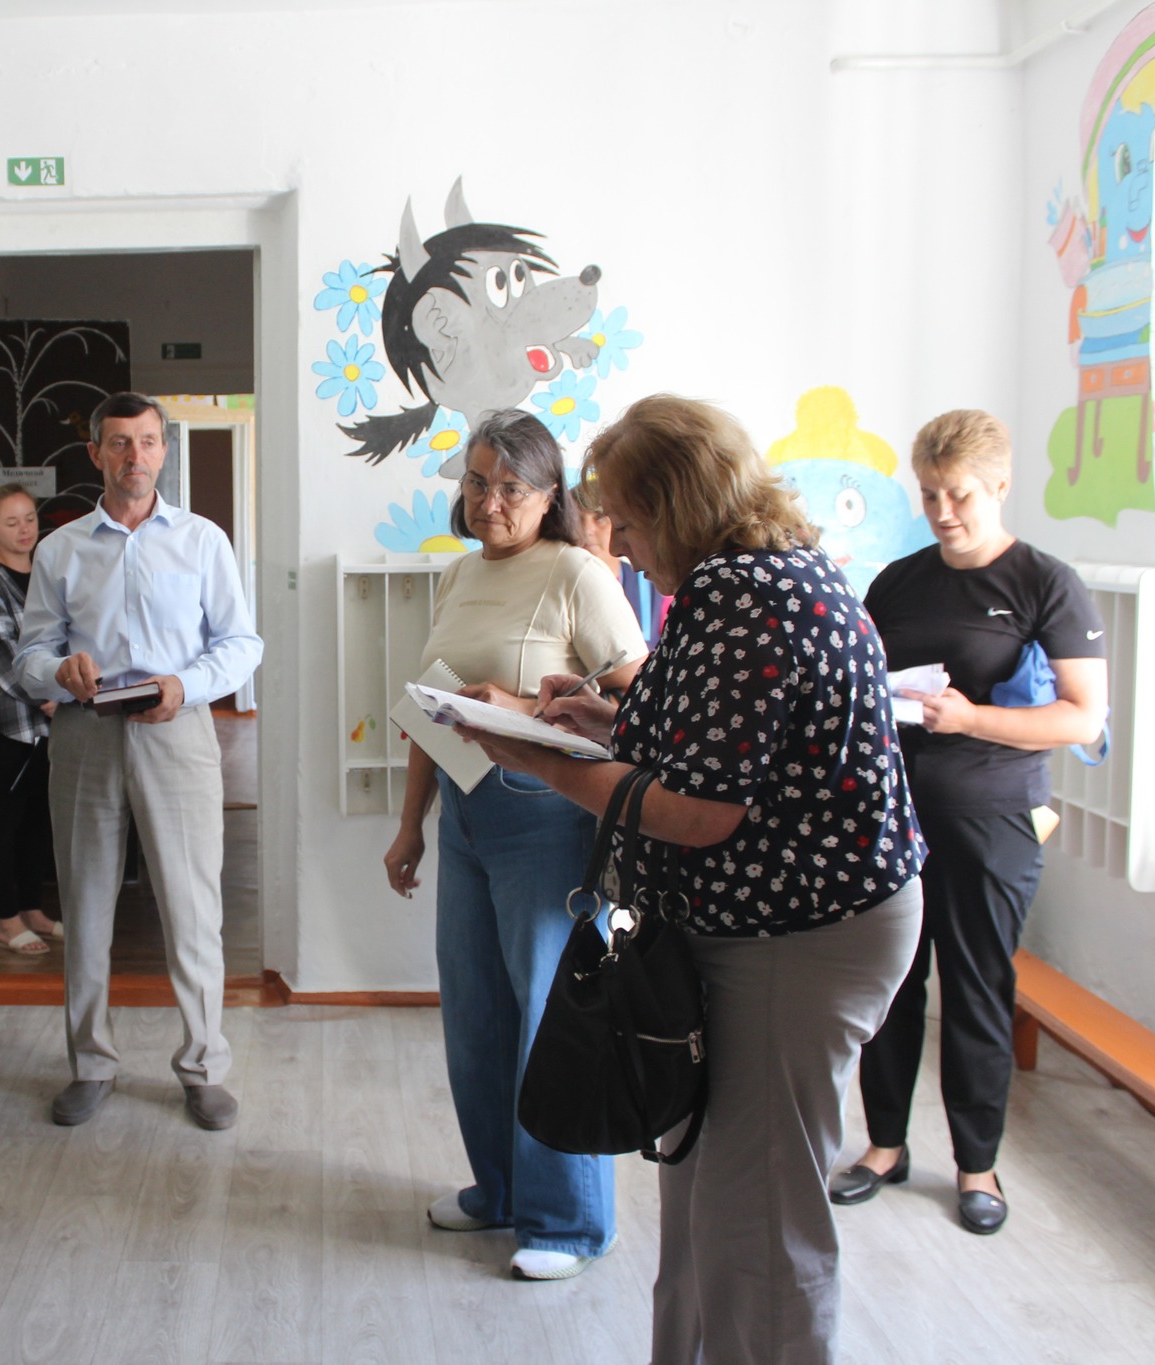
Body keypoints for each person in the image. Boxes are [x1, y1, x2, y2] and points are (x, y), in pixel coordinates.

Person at [459, 395, 926, 1363]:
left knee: (760, 1216)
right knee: (706, 1192)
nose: (621, 546)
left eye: (627, 521)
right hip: (767, 923)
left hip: (798, 933)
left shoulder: (743, 593)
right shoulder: (758, 573)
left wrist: (539, 760)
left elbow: (700, 809)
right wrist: (596, 721)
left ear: (674, 507)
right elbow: (711, 736)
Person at [379, 410, 646, 1282]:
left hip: (546, 814)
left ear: (549, 495)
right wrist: (410, 825)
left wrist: (528, 708)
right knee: (476, 1015)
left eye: (511, 487)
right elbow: (435, 708)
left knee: (548, 1015)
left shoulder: (577, 572)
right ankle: (497, 1188)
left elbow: (639, 696)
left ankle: (570, 1220)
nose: (489, 501)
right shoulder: (459, 574)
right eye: (477, 482)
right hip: (464, 814)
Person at [836, 410, 1108, 1235]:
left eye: (958, 494)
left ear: (1000, 485)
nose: (942, 511)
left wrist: (973, 720)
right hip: (894, 817)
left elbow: (1083, 717)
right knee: (889, 985)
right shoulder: (899, 581)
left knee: (978, 989)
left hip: (993, 818)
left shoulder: (1045, 583)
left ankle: (976, 1164)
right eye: (928, 494)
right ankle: (884, 1145)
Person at [12, 391, 263, 1131]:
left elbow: (241, 644)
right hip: (85, 734)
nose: (135, 455)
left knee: (192, 907)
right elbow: (29, 654)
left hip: (177, 731)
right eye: (119, 442)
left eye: (148, 441)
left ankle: (204, 1067)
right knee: (86, 904)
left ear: (163, 450)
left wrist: (185, 686)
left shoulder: (202, 540)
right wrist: (58, 672)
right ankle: (90, 1063)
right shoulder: (60, 549)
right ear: (96, 453)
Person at [0, 483, 62, 955]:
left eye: (29, 519)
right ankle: (6, 921)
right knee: (4, 821)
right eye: (11, 521)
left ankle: (33, 909)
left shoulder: (46, 573)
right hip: (11, 725)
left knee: (39, 821)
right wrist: (49, 694)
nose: (24, 529)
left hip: (55, 723)